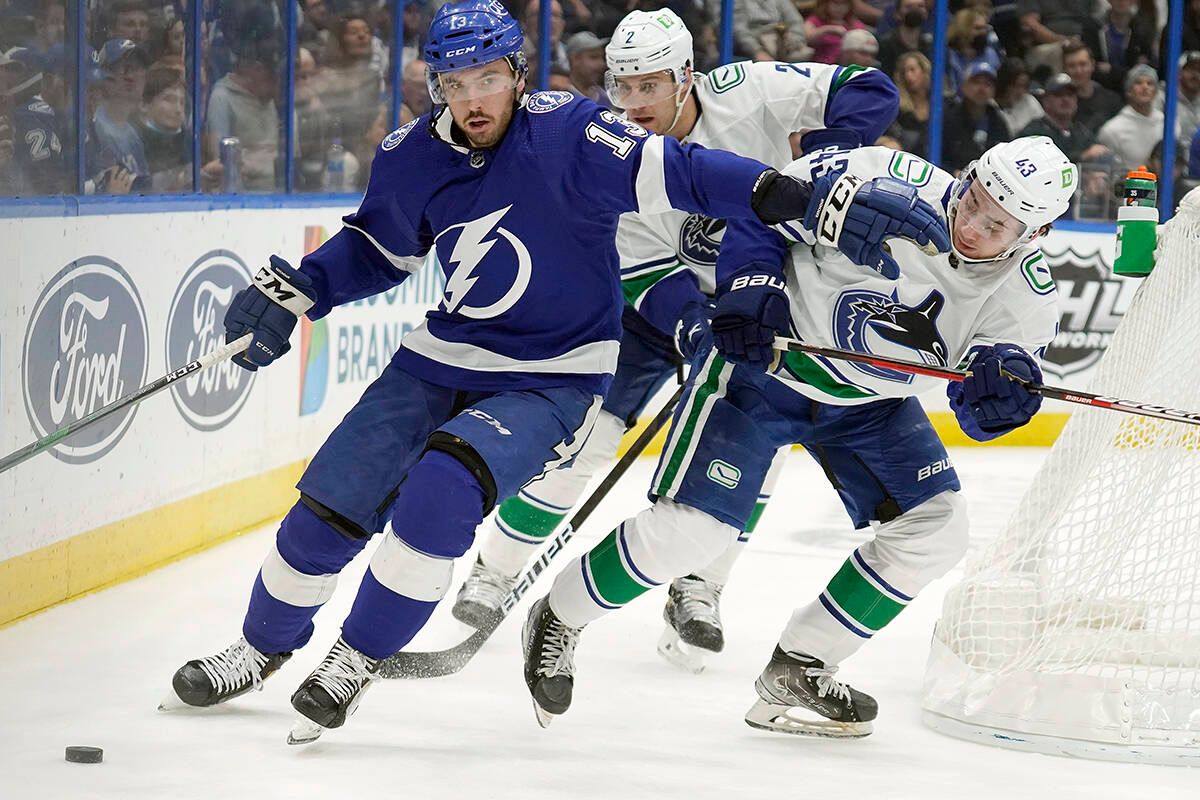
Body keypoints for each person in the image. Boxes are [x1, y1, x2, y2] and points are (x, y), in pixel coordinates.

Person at [159, 0, 924, 744]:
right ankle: (259, 648)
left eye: (485, 78)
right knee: (329, 504)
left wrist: (778, 189)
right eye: (452, 84)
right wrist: (303, 287)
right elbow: (376, 249)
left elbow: (682, 169)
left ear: (517, 74)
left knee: (440, 493)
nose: (471, 100)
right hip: (437, 360)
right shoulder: (410, 156)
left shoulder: (576, 133)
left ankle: (356, 658)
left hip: (550, 378)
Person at [522, 136, 1074, 732]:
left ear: (1033, 236)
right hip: (766, 374)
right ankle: (558, 616)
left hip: (871, 405)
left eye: (997, 226)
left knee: (939, 530)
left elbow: (979, 403)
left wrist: (1002, 397)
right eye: (972, 200)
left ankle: (801, 663)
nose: (972, 225)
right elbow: (764, 211)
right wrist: (750, 285)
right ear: (966, 175)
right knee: (695, 535)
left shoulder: (1027, 293)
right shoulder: (878, 175)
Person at [451, 7, 901, 673]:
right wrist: (693, 327)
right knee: (582, 441)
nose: (633, 105)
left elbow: (872, 90)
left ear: (686, 78)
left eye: (649, 87)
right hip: (645, 311)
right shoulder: (607, 148)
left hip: (763, 299)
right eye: (622, 87)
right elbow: (644, 269)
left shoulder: (750, 90)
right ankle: (495, 570)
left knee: (756, 445)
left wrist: (827, 153)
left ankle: (700, 586)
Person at [1019, 73, 1108, 165]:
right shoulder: (1033, 133)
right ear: (1046, 101)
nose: (1066, 99)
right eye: (1059, 95)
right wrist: (1082, 157)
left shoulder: (1081, 131)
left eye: (1070, 95)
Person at [1098, 64, 1169, 174]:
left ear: (1156, 91)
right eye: (1138, 83)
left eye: (1150, 83)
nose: (1145, 87)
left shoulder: (1169, 125)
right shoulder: (1112, 130)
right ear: (1129, 91)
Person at [942, 61, 1010, 174]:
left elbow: (1006, 158)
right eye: (976, 82)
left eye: (988, 84)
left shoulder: (998, 121)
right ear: (964, 86)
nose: (982, 89)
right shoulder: (948, 117)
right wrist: (952, 171)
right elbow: (933, 155)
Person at [1064, 41, 1122, 134]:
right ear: (1065, 69)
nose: (1078, 71)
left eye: (1083, 64)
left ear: (1092, 65)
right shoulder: (1062, 105)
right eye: (1072, 66)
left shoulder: (1112, 100)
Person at [888, 50, 932, 157]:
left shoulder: (943, 104)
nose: (908, 75)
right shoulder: (897, 108)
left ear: (924, 71)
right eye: (904, 72)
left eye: (912, 70)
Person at [876, 0, 932, 77]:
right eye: (909, 7)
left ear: (926, 13)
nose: (915, 9)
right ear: (897, 14)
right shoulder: (886, 45)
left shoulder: (929, 45)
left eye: (920, 6)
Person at [805, 0, 866, 65]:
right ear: (825, 4)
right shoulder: (814, 21)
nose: (840, 7)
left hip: (848, 66)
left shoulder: (856, 25)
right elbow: (806, 38)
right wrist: (827, 30)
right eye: (835, 3)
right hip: (821, 65)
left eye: (844, 4)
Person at [563, 30, 610, 107]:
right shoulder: (560, 97)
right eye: (594, 57)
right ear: (575, 59)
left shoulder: (607, 98)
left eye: (602, 58)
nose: (602, 64)